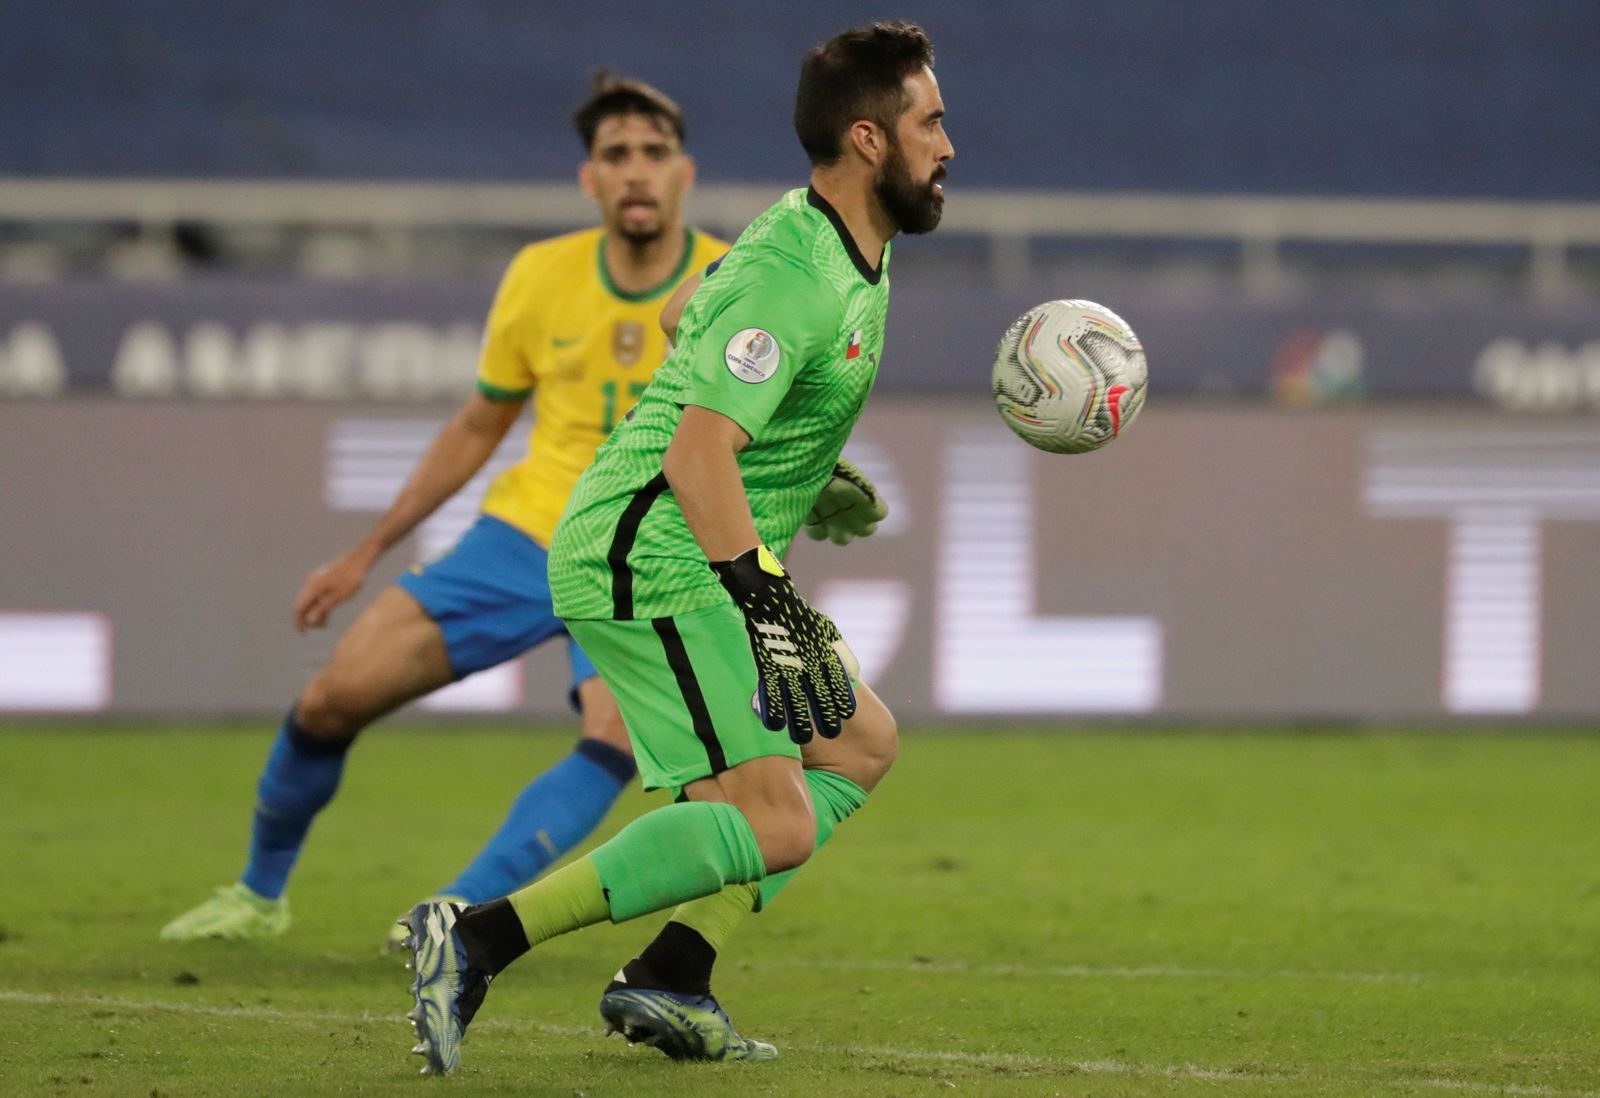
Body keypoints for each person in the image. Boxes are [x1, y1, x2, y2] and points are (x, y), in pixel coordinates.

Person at [398, 20, 952, 1075]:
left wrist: (796, 465)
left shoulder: (828, 243)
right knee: (778, 821)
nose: (948, 144)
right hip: (650, 555)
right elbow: (699, 453)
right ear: (871, 139)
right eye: (931, 120)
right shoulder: (800, 274)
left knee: (858, 746)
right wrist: (766, 597)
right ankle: (473, 939)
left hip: (692, 549)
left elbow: (687, 322)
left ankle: (671, 975)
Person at [159, 73, 729, 944]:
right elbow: (478, 424)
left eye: (654, 154)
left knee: (615, 735)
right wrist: (366, 550)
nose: (636, 172)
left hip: (651, 555)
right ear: (591, 179)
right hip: (530, 533)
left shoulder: (730, 280)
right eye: (616, 155)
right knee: (331, 699)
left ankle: (454, 911)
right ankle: (258, 895)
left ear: (684, 172)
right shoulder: (541, 276)